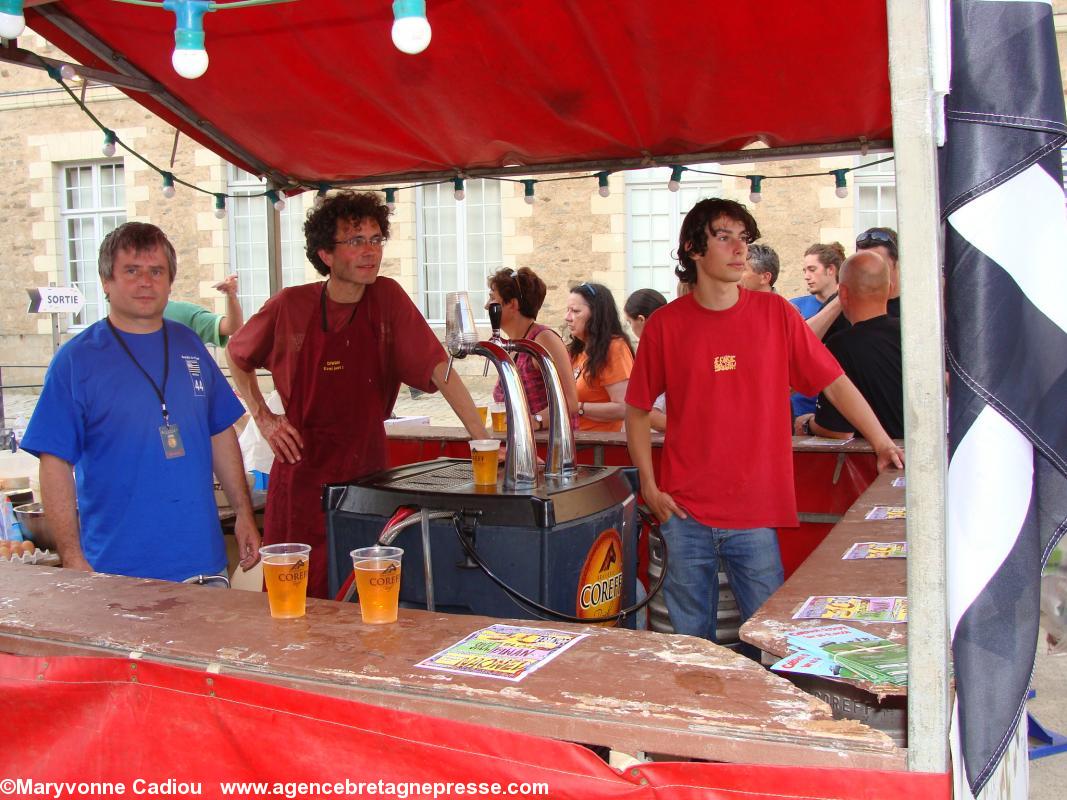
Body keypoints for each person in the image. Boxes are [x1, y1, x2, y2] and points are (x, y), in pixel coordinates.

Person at [625, 198, 903, 647]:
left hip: (755, 511)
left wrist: (880, 440)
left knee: (770, 646)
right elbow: (636, 411)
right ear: (694, 248)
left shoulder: (775, 315)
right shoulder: (664, 325)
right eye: (724, 237)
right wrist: (650, 489)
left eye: (744, 239)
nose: (739, 249)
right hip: (682, 511)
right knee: (690, 648)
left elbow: (833, 381)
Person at [226, 190, 490, 599]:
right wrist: (264, 417)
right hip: (300, 481)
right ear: (325, 254)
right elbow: (238, 355)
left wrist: (482, 438)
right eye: (355, 241)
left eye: (375, 240)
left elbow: (440, 369)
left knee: (363, 598)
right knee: (298, 606)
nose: (370, 252)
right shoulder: (290, 306)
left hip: (367, 478)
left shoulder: (387, 300)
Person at [21, 222, 260, 583]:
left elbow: (219, 434)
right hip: (118, 574)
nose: (145, 282)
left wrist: (244, 513)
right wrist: (71, 557)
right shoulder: (76, 360)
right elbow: (54, 463)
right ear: (106, 281)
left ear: (169, 281)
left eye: (156, 271)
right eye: (131, 271)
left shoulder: (190, 345)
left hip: (205, 568)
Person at [797, 251, 904, 440]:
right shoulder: (912, 337)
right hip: (923, 460)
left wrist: (807, 424)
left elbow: (838, 430)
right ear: (889, 289)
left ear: (843, 294)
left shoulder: (840, 346)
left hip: (872, 463)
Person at [486, 267, 578, 430]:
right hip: (526, 446)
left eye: (493, 299)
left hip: (550, 448)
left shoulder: (543, 339)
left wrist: (536, 420)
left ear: (512, 304)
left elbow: (570, 402)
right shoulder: (513, 344)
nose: (486, 306)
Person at [789, 242, 850, 424]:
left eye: (812, 269)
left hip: (832, 408)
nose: (807, 276)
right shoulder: (795, 305)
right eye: (804, 271)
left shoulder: (850, 309)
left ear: (831, 270)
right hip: (798, 408)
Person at [565, 282, 634, 432]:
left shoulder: (615, 347)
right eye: (568, 310)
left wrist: (578, 408)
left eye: (575, 311)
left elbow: (624, 408)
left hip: (597, 447)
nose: (567, 317)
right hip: (575, 441)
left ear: (596, 314)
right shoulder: (579, 348)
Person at [624, 289, 668, 432]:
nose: (631, 328)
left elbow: (648, 413)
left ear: (642, 320)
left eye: (630, 322)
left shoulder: (660, 353)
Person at [164, 274, 244, 347]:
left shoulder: (182, 312)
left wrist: (231, 295)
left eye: (156, 272)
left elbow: (233, 327)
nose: (151, 283)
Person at [855, 227, 901, 318]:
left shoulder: (915, 308)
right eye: (861, 265)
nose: (868, 272)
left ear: (898, 264)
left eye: (876, 264)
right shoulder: (847, 308)